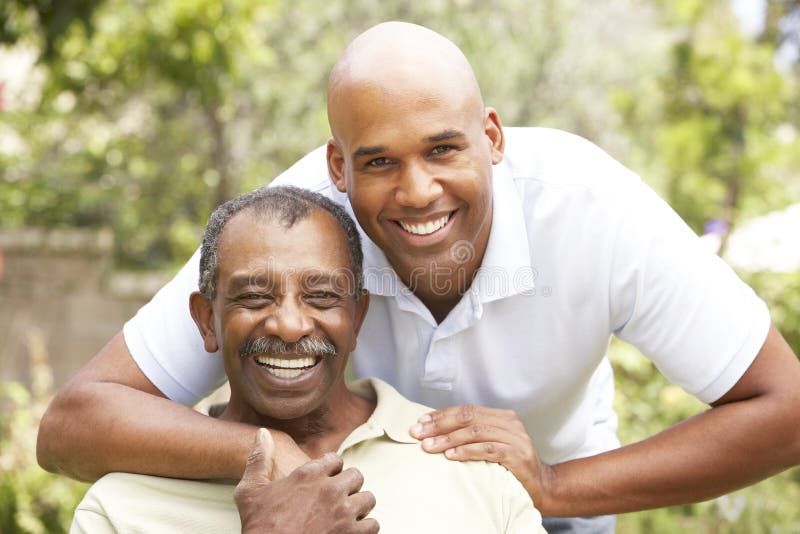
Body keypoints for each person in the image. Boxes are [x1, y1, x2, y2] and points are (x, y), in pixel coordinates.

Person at [40, 21, 800, 534]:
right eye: (377, 163)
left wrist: (558, 487)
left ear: (492, 137)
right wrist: (274, 457)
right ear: (339, 167)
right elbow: (75, 423)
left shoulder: (593, 210)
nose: (416, 192)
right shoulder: (297, 230)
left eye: (444, 149)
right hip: (340, 501)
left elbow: (786, 407)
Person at [70, 186, 545, 533]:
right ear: (207, 321)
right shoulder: (119, 509)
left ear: (357, 317)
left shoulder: (473, 474)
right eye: (254, 297)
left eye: (320, 296)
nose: (290, 325)